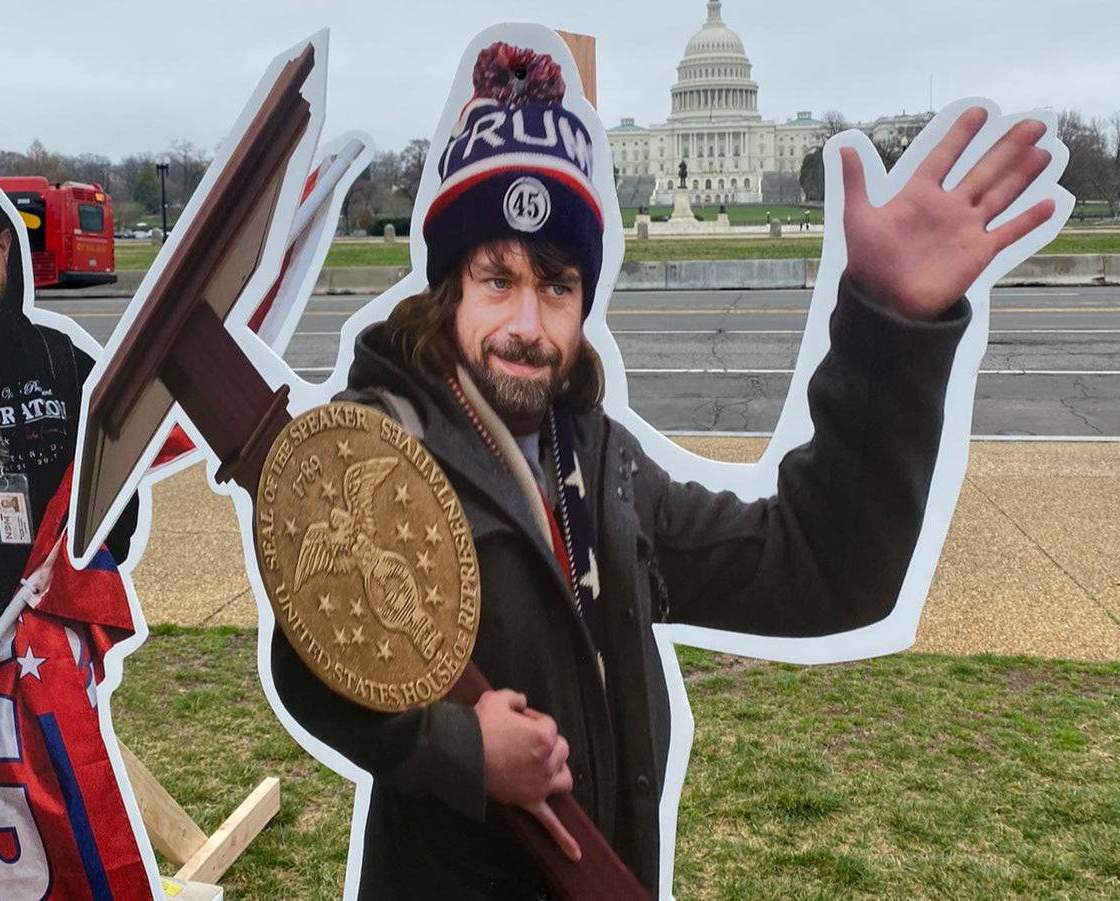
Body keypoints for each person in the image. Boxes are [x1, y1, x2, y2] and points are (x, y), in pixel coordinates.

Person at [271, 42, 1056, 901]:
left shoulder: (601, 465)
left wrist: (889, 328)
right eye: (497, 279)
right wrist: (464, 751)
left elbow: (819, 568)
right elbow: (309, 657)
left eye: (558, 285)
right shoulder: (385, 447)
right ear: (448, 288)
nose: (527, 323)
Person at [0, 153, 136, 898]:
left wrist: (83, 570)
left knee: (67, 845)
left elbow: (120, 490)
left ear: (5, 251)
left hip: (54, 669)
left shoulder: (66, 363)